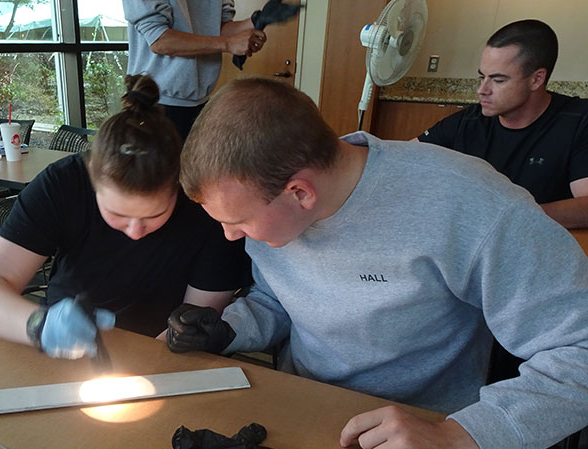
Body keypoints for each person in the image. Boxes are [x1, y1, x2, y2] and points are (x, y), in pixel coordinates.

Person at [168, 77, 588, 448]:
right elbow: (278, 300)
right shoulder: (275, 208)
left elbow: (579, 348)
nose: (230, 236)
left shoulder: (471, 205)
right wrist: (228, 330)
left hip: (420, 426)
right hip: (297, 406)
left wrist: (462, 435)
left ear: (300, 193)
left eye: (237, 221)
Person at [0, 75, 251, 359]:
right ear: (92, 181)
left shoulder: (208, 207)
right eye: (117, 215)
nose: (135, 231)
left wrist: (157, 354)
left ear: (179, 186)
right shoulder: (62, 184)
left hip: (159, 352)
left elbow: (193, 321)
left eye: (154, 215)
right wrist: (40, 326)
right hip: (63, 350)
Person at [415, 20, 588, 230]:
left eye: (498, 80)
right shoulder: (469, 120)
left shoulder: (578, 120)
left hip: (542, 248)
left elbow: (585, 206)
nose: (482, 90)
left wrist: (506, 215)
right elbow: (404, 159)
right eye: (482, 77)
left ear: (536, 79)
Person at [123, 0, 299, 141]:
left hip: (200, 104)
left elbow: (219, 29)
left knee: (192, 181)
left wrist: (257, 20)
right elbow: (160, 40)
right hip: (154, 101)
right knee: (156, 183)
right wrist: (229, 44)